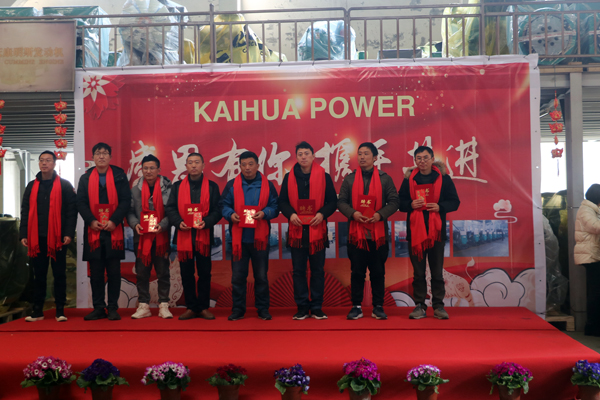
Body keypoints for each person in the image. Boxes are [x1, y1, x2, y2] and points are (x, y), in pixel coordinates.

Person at [338, 142, 399, 320]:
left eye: (366, 154)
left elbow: (394, 201)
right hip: (356, 235)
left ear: (375, 157)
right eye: (360, 154)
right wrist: (353, 213)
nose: (362, 157)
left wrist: (380, 215)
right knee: (357, 272)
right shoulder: (349, 179)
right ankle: (356, 306)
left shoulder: (385, 179)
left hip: (378, 235)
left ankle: (378, 306)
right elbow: (341, 202)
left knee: (378, 272)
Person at [398, 145, 460, 320]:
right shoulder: (409, 179)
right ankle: (419, 305)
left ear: (432, 159)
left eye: (425, 157)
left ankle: (438, 306)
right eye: (418, 158)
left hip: (436, 233)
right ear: (415, 161)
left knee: (437, 272)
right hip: (415, 233)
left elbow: (455, 202)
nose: (422, 161)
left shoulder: (443, 178)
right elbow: (399, 202)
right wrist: (410, 204)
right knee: (418, 273)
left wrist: (440, 207)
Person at [278, 141, 337, 320]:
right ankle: (302, 307)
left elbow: (332, 202)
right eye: (300, 154)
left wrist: (322, 214)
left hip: (317, 230)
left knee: (317, 270)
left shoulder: (324, 176)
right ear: (296, 157)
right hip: (297, 231)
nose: (303, 157)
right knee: (298, 271)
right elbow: (282, 202)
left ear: (313, 156)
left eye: (306, 153)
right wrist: (291, 214)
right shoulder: (289, 178)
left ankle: (317, 307)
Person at [220, 151, 279, 321]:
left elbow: (275, 206)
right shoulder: (232, 185)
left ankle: (263, 309)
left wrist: (265, 213)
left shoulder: (267, 185)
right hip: (239, 239)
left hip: (260, 239)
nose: (247, 168)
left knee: (261, 276)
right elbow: (223, 205)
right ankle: (238, 310)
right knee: (238, 277)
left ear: (258, 165)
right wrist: (230, 214)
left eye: (251, 164)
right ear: (239, 166)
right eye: (244, 164)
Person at [20, 151, 77, 322]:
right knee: (38, 275)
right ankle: (37, 311)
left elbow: (71, 212)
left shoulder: (64, 186)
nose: (44, 163)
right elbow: (25, 211)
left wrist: (68, 233)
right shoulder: (31, 186)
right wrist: (24, 234)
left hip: (58, 238)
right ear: (39, 163)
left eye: (48, 160)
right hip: (37, 237)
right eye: (41, 160)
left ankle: (60, 310)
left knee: (59, 274)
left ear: (54, 164)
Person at [77, 142, 131, 321]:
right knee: (96, 272)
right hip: (93, 230)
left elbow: (125, 200)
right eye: (98, 153)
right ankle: (99, 307)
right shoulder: (85, 178)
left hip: (113, 230)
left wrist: (114, 221)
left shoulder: (119, 176)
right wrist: (91, 220)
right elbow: (81, 202)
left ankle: (113, 307)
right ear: (93, 157)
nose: (101, 156)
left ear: (110, 157)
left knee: (114, 272)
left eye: (105, 153)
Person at [165, 152, 221, 320]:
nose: (194, 165)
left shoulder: (212, 187)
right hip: (184, 236)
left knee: (205, 274)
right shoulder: (177, 187)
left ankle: (203, 307)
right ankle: (191, 307)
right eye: (190, 162)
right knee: (186, 274)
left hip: (203, 236)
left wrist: (207, 221)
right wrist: (178, 222)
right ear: (186, 166)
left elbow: (218, 210)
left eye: (197, 162)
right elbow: (170, 208)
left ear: (203, 165)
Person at [127, 155, 173, 319]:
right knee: (142, 273)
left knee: (163, 272)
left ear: (158, 170)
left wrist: (163, 225)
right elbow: (129, 212)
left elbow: (173, 211)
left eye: (152, 168)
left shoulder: (168, 189)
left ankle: (164, 305)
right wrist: (135, 224)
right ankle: (144, 305)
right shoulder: (135, 190)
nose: (148, 171)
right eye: (145, 168)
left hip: (161, 237)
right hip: (141, 238)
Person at [575, 184, 600, 336]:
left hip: (592, 254)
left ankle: (593, 325)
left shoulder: (591, 209)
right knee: (595, 293)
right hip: (590, 255)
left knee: (595, 291)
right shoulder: (586, 210)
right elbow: (595, 226)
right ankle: (592, 326)